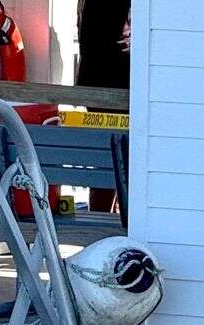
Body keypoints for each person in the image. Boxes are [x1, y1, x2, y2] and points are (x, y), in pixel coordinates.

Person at [76, 0, 130, 215]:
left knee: (107, 160)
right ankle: (109, 219)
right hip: (117, 85)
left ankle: (103, 216)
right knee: (119, 160)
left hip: (96, 82)